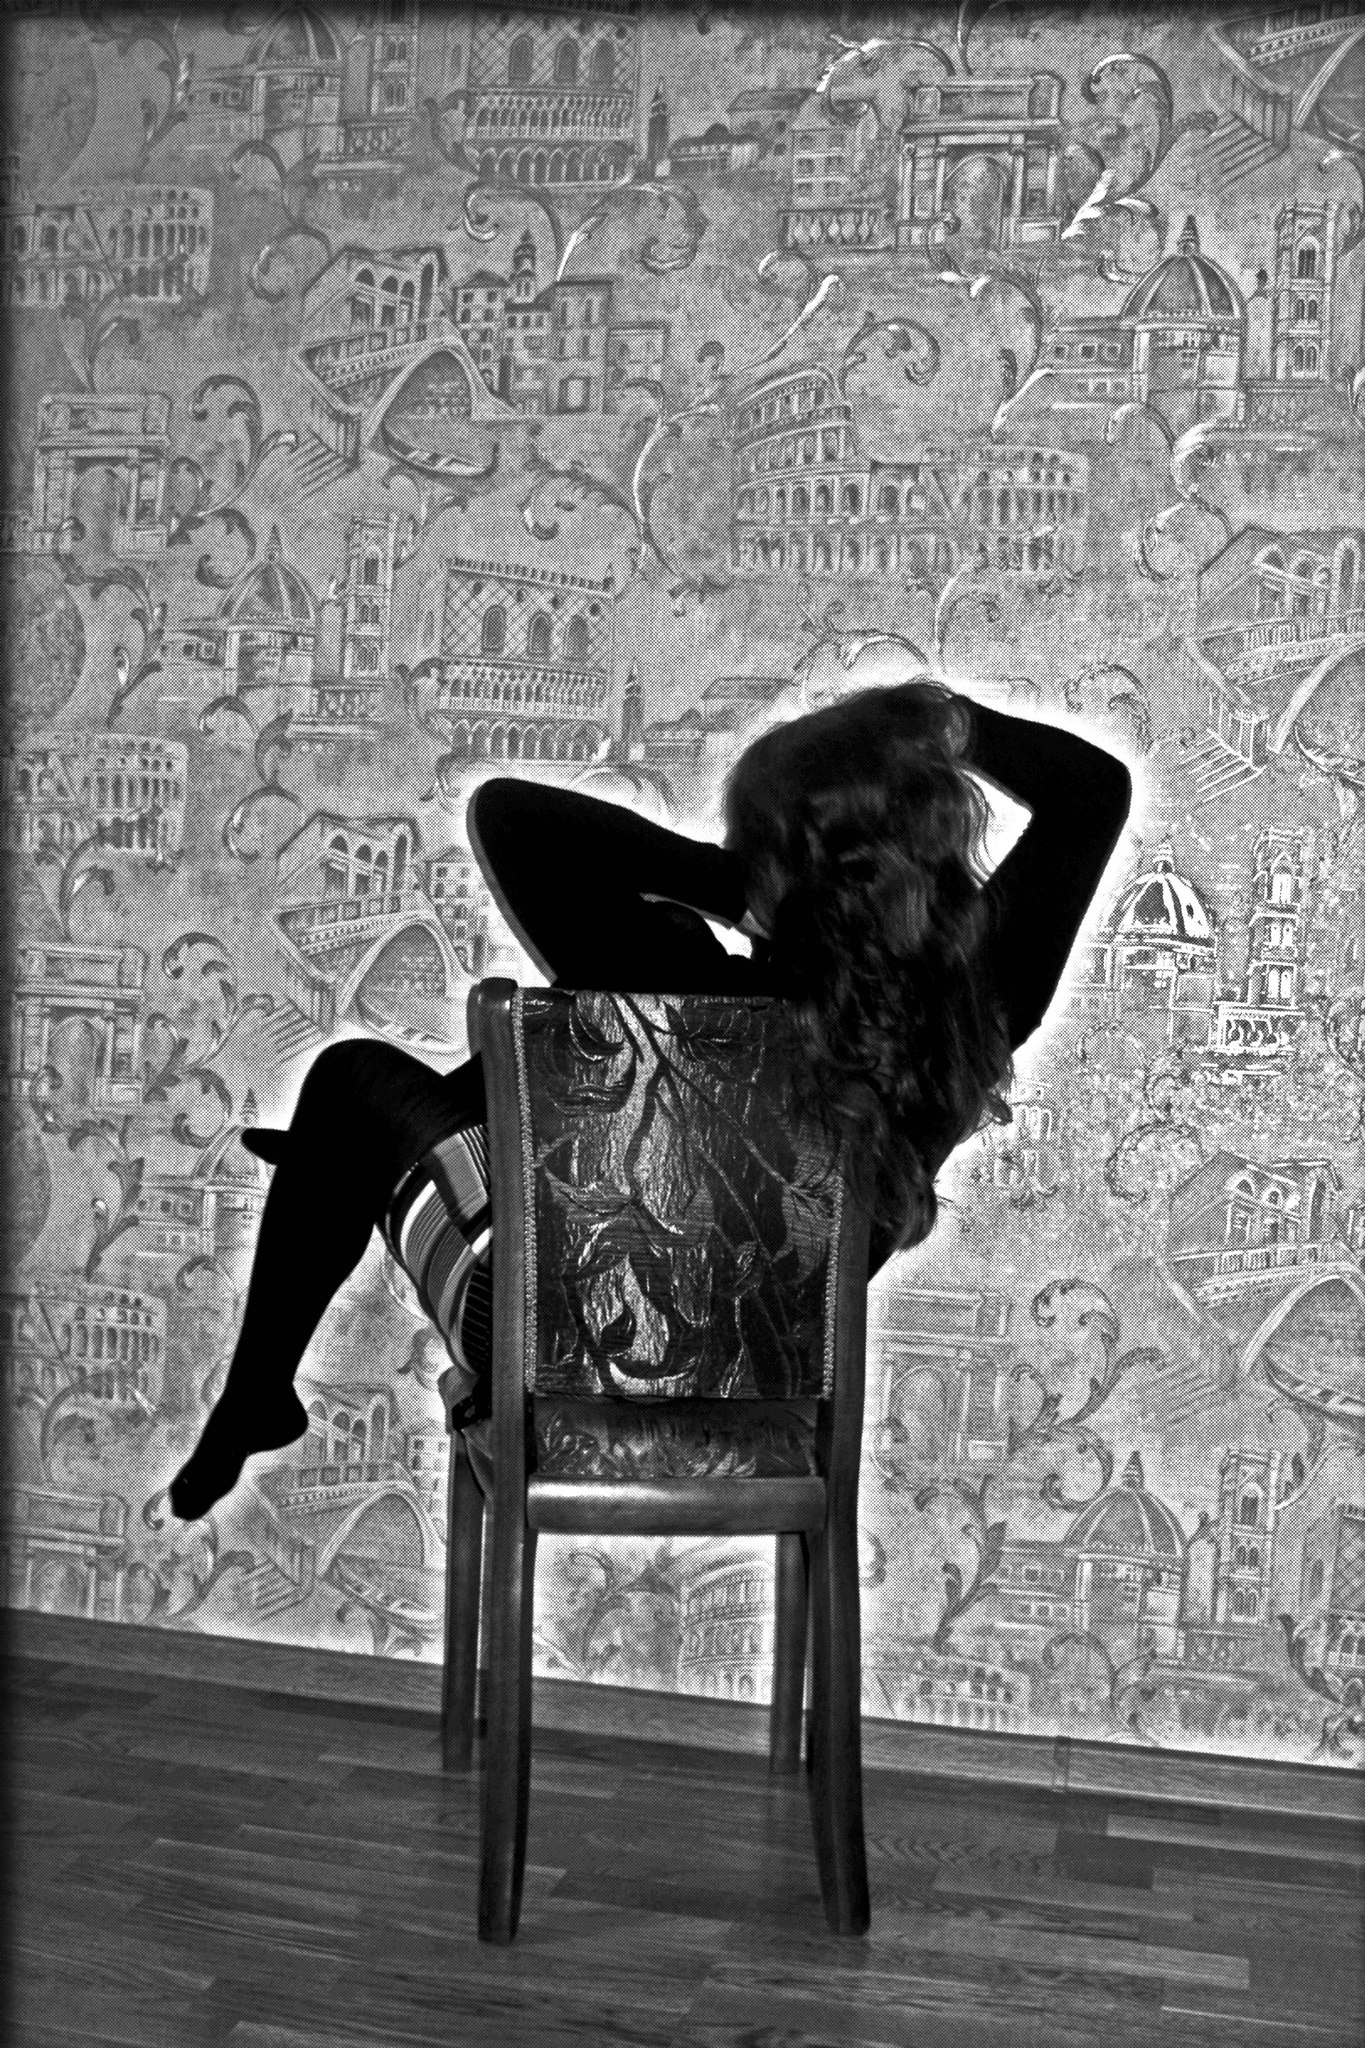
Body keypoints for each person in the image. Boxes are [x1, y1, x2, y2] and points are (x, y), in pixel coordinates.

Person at [167, 680, 1131, 1521]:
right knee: (551, 1066)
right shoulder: (973, 1009)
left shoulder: (684, 984)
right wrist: (945, 724)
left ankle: (261, 1379)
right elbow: (1092, 791)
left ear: (774, 864)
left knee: (353, 1079)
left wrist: (734, 888)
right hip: (769, 1376)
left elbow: (510, 815)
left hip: (548, 1347)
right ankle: (335, 1165)